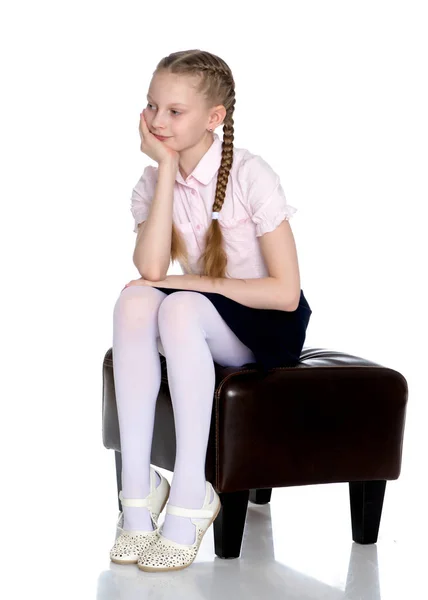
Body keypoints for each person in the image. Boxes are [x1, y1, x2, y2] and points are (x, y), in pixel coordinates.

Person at [110, 49, 312, 572]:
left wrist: (189, 284)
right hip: (203, 314)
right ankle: (136, 499)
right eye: (151, 106)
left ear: (214, 118)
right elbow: (152, 269)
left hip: (266, 323)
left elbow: (286, 292)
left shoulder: (250, 174)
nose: (157, 121)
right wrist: (168, 165)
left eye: (174, 112)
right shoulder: (153, 180)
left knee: (178, 309)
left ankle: (190, 494)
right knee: (135, 301)